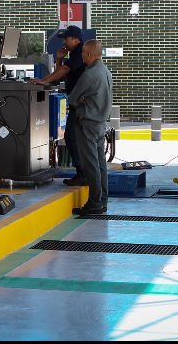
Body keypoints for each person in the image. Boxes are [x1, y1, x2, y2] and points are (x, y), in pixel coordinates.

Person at [31, 25, 86, 185]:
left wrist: (43, 80)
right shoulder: (73, 54)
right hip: (76, 103)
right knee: (72, 137)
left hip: (82, 104)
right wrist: (59, 58)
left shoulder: (80, 52)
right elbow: (59, 76)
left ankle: (83, 173)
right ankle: (83, 172)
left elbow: (64, 70)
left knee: (72, 137)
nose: (64, 41)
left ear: (76, 39)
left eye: (66, 38)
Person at [68, 40, 113, 215]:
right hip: (100, 123)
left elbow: (72, 99)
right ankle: (102, 200)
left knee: (90, 164)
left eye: (82, 54)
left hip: (87, 123)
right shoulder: (106, 72)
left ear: (88, 54)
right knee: (100, 163)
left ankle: (94, 202)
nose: (81, 56)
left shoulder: (89, 75)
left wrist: (81, 101)